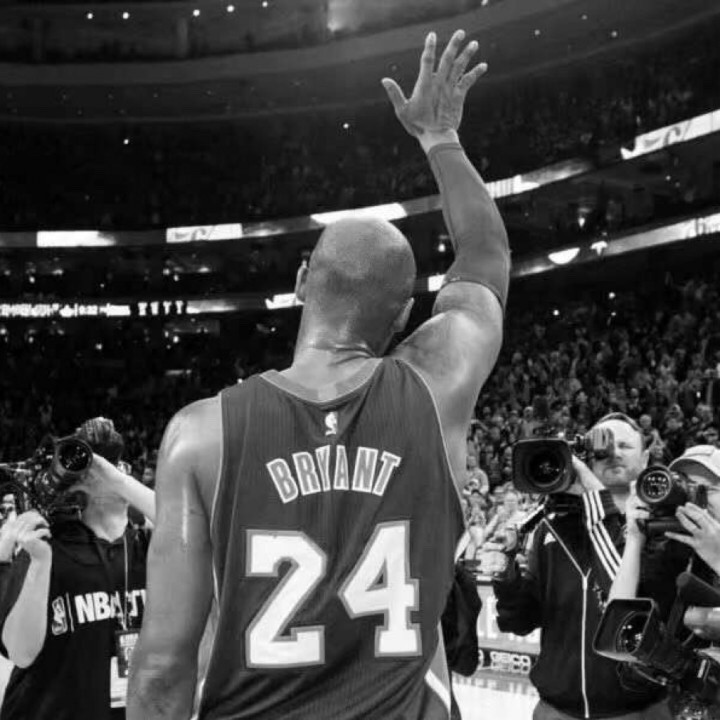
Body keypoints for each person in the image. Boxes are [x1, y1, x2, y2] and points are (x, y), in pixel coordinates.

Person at [128, 29, 510, 720]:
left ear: (303, 281)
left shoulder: (200, 433)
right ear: (403, 316)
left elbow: (160, 670)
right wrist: (441, 140)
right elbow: (485, 259)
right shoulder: (436, 387)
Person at [493, 413, 674, 719]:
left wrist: (595, 497)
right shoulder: (551, 528)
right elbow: (522, 622)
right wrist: (507, 577)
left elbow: (632, 606)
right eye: (602, 447)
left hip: (637, 711)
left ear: (645, 458)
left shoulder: (663, 527)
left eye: (624, 445)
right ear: (586, 457)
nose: (613, 452)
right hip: (555, 710)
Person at [0, 417, 155, 720]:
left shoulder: (145, 546)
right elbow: (20, 652)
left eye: (118, 464)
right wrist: (39, 565)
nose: (116, 471)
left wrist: (115, 480)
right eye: (102, 466)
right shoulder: (48, 547)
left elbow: (196, 524)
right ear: (80, 482)